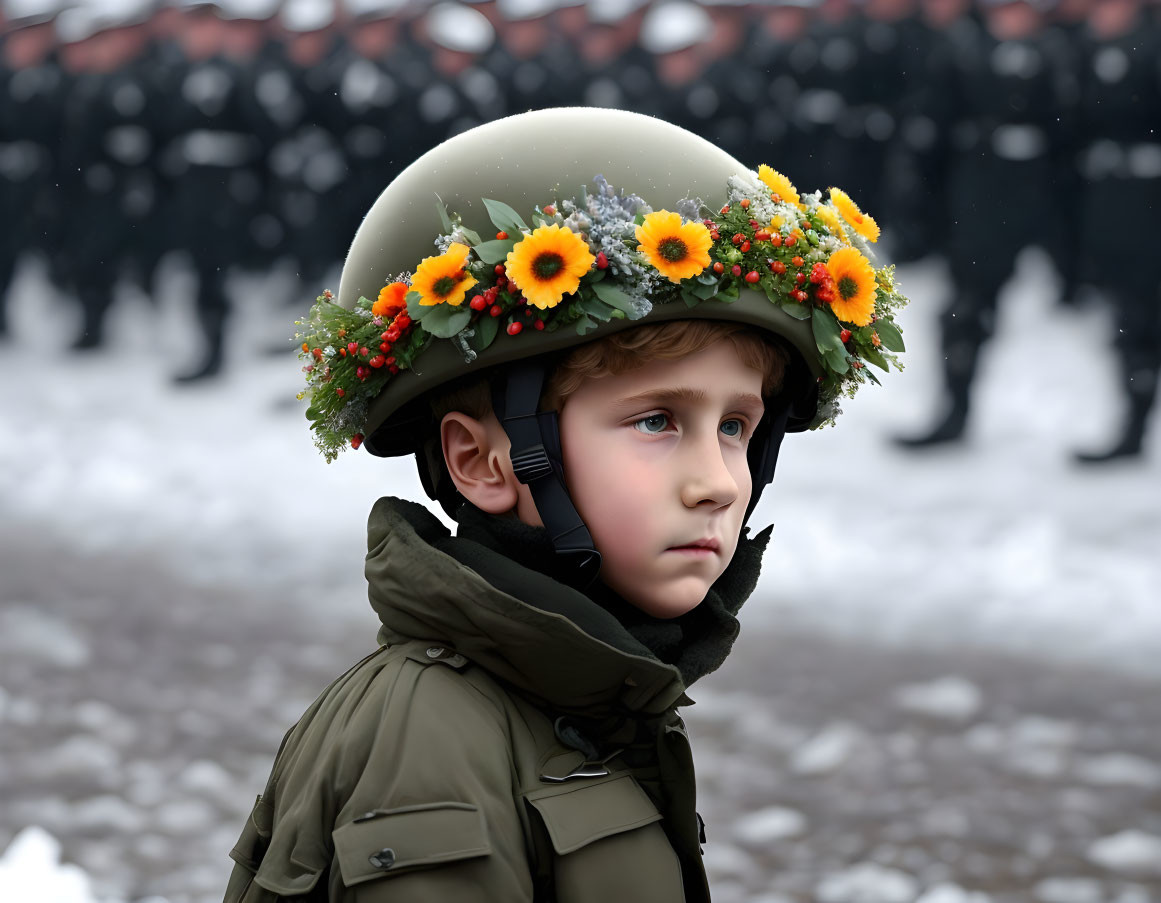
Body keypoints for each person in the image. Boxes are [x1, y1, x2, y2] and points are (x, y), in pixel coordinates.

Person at [222, 108, 910, 902]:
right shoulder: (427, 743)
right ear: (483, 461)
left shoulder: (581, 686)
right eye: (656, 421)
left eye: (734, 427)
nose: (718, 481)